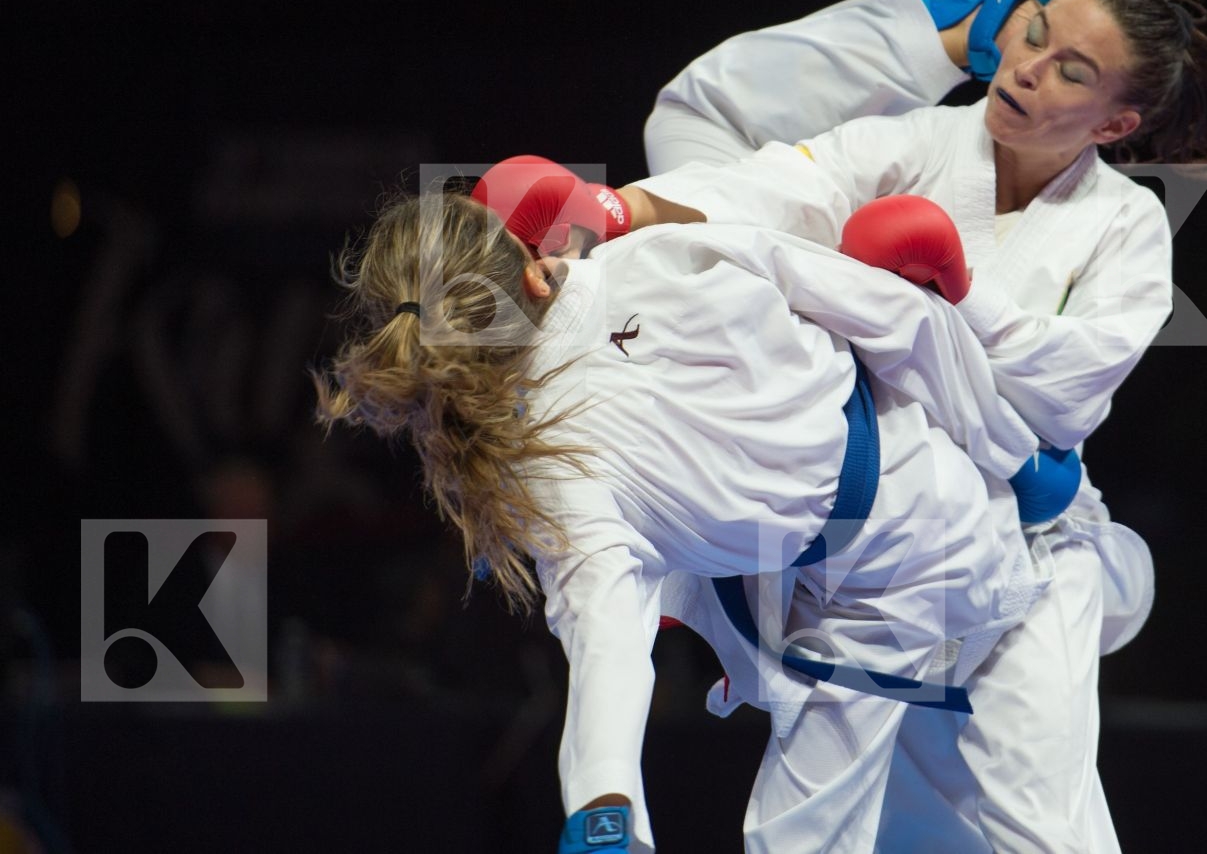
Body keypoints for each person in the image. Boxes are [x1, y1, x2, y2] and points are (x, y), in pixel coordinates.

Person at [631, 0, 1207, 851]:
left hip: (1029, 550)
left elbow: (1064, 391)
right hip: (877, 559)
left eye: (1071, 70)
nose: (1028, 67)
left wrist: (947, 292)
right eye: (1031, 33)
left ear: (1117, 123)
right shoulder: (914, 142)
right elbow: (755, 170)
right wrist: (620, 210)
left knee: (1041, 823)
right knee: (877, 831)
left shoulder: (1125, 226)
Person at [312, 172, 1057, 854]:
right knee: (942, 802)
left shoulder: (541, 474)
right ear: (532, 270)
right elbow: (898, 314)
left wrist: (605, 804)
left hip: (893, 559)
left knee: (864, 821)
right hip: (890, 534)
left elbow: (604, 639)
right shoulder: (664, 259)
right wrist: (1015, 454)